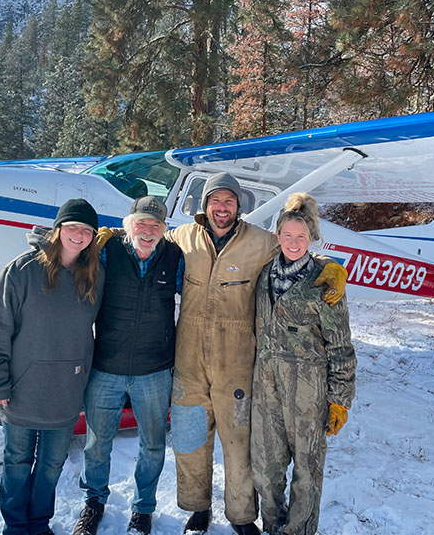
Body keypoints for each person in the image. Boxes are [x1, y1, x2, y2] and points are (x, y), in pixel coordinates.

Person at [164, 172, 348, 535]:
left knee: (239, 448)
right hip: (188, 365)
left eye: (229, 201)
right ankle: (198, 509)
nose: (222, 207)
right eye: (215, 200)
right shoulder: (183, 238)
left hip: (236, 365)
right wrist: (111, 239)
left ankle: (241, 516)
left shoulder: (260, 241)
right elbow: (147, 239)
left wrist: (332, 267)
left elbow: (297, 248)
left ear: (239, 206)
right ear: (205, 206)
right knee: (189, 443)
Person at [0, 198, 105, 535]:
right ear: (58, 229)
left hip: (65, 393)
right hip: (21, 392)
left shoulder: (94, 276)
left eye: (87, 230)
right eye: (73, 227)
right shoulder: (21, 271)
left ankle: (38, 524)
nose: (79, 235)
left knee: (51, 466)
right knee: (18, 463)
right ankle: (16, 527)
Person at [74, 196, 183, 535]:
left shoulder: (175, 258)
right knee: (97, 443)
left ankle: (143, 509)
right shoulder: (107, 251)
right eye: (141, 223)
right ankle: (94, 503)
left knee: (152, 444)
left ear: (164, 231)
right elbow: (64, 256)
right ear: (128, 224)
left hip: (154, 371)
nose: (147, 231)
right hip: (106, 367)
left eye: (155, 225)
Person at [250, 192, 356, 535]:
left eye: (301, 237)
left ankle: (298, 531)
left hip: (308, 393)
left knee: (307, 472)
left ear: (311, 239)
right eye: (287, 235)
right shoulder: (264, 273)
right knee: (266, 470)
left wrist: (340, 399)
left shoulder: (324, 281)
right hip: (266, 390)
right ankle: (272, 524)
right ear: (277, 236)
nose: (293, 243)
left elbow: (340, 346)